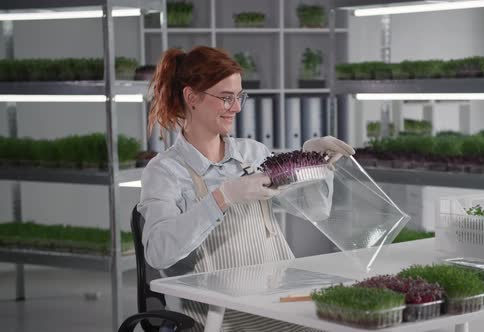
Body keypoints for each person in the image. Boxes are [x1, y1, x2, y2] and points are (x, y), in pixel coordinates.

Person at [138, 45, 355, 332]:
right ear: (192, 97)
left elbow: (315, 209)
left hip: (277, 299)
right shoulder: (165, 170)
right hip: (219, 314)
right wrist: (223, 197)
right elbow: (158, 252)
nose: (237, 108)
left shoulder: (253, 154)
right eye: (226, 98)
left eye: (240, 97)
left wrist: (313, 163)